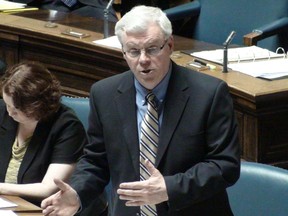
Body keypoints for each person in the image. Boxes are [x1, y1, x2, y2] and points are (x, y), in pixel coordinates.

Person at [41, 5, 240, 216]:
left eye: (152, 48)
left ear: (170, 45)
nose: (143, 59)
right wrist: (78, 194)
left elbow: (224, 165)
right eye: (134, 51)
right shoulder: (104, 94)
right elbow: (96, 160)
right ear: (124, 53)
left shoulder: (208, 94)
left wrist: (170, 189)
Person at [0, 61, 86, 206]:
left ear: (37, 106)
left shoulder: (67, 127)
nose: (9, 112)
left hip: (43, 208)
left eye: (16, 109)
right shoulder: (3, 111)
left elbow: (48, 189)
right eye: (7, 104)